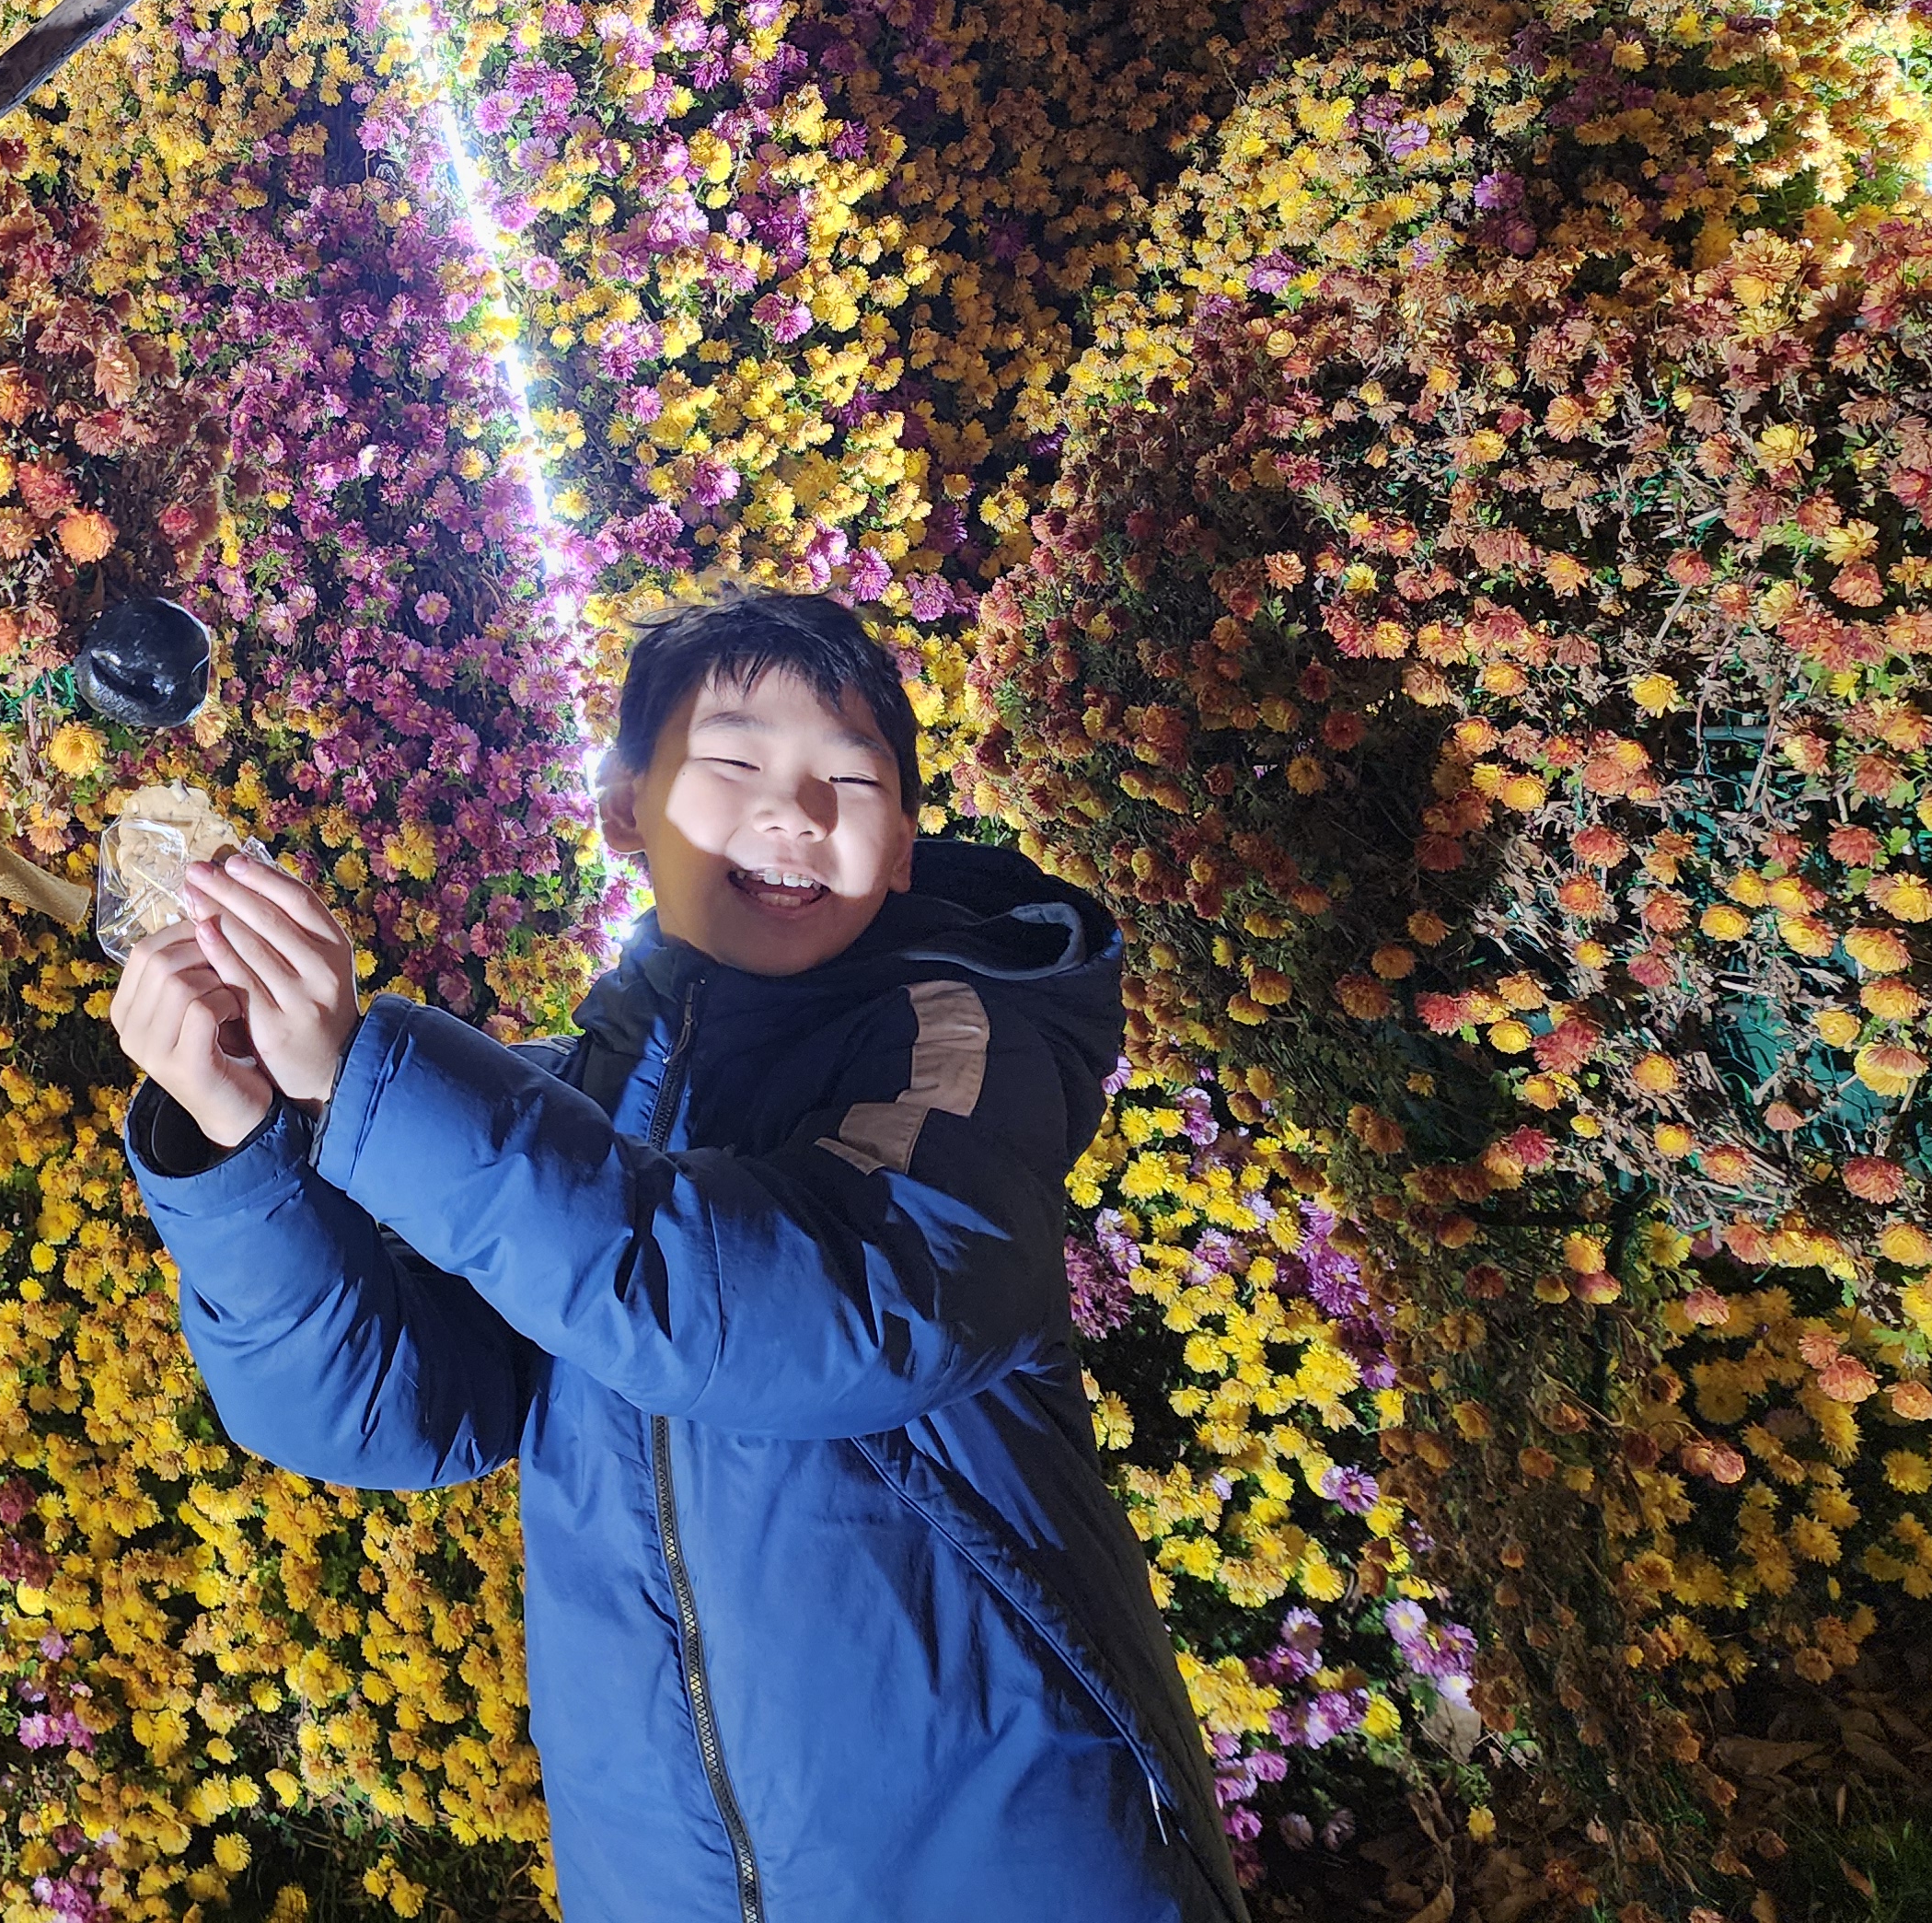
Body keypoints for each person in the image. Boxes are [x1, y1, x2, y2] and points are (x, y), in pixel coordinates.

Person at [112, 590, 1246, 1922]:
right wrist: (240, 1142)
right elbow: (387, 1409)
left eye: (851, 779)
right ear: (619, 813)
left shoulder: (960, 1043)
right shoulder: (571, 1126)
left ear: (902, 852)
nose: (797, 811)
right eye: (733, 762)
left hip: (1001, 1864)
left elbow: (811, 1308)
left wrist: (366, 1075)